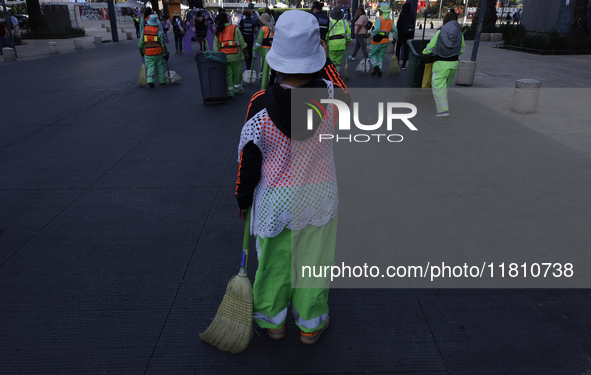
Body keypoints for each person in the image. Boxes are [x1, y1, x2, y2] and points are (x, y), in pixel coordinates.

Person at [236, 9, 349, 346]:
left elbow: (248, 161)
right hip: (319, 196)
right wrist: (325, 62)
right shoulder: (332, 98)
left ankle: (274, 323)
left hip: (275, 199)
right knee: (314, 264)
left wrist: (243, 199)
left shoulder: (260, 103)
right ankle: (311, 326)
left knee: (274, 262)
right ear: (318, 55)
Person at [422, 11, 465, 117]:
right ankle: (439, 105)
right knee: (445, 87)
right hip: (454, 64)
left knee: (438, 87)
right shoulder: (459, 34)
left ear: (444, 22)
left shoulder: (439, 33)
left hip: (441, 65)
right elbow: (462, 49)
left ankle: (443, 111)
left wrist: (424, 53)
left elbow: (430, 47)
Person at [214, 12, 246, 97]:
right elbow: (241, 42)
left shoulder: (218, 32)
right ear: (227, 19)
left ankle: (229, 92)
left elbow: (216, 47)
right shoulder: (234, 28)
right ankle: (238, 89)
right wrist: (245, 50)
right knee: (237, 73)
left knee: (228, 74)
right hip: (236, 56)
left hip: (224, 57)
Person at [139, 14, 169, 88]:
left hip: (148, 53)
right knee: (160, 66)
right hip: (158, 52)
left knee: (150, 67)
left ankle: (150, 80)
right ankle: (162, 80)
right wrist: (165, 53)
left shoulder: (144, 30)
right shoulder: (158, 31)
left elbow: (140, 44)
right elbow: (163, 44)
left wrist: (142, 53)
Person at [368, 3, 397, 76]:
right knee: (380, 56)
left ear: (382, 11)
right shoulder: (390, 21)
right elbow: (395, 30)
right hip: (386, 41)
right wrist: (395, 38)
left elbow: (377, 29)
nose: (379, 12)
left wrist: (370, 34)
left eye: (380, 10)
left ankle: (376, 66)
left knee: (372, 54)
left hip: (377, 40)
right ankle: (380, 70)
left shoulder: (379, 19)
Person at [327, 6, 351, 71]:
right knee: (338, 61)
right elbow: (348, 34)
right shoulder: (345, 22)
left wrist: (326, 42)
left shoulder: (330, 22)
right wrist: (348, 41)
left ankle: (332, 73)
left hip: (332, 44)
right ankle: (337, 73)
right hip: (342, 43)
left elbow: (327, 34)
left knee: (332, 60)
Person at [253, 13, 274, 84]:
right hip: (272, 50)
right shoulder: (273, 28)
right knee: (270, 66)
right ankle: (270, 80)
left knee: (263, 66)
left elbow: (259, 42)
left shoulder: (263, 29)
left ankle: (263, 80)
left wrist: (255, 50)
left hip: (264, 51)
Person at [395, 2, 414, 70]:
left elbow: (399, 24)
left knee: (398, 48)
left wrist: (397, 33)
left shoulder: (402, 15)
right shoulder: (412, 15)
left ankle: (397, 62)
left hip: (401, 35)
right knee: (406, 50)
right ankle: (404, 64)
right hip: (409, 35)